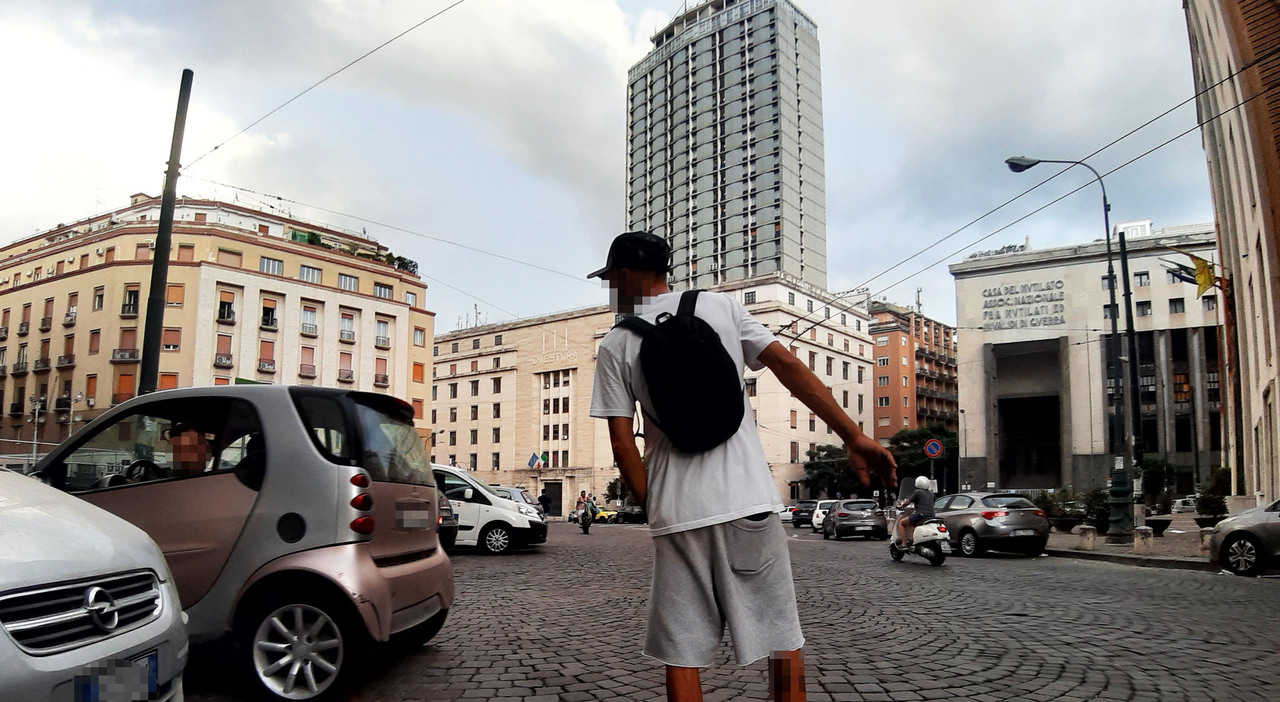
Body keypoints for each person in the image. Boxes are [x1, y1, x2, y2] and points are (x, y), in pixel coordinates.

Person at [588, 231, 897, 702]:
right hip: (749, 501)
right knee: (782, 640)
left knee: (682, 651)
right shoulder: (722, 307)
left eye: (611, 278)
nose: (611, 288)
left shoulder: (616, 343)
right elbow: (789, 368)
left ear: (628, 274)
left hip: (681, 514)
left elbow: (621, 443)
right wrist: (852, 434)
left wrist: (654, 507)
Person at [895, 476, 936, 548]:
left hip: (920, 515)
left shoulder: (917, 492)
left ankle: (904, 543)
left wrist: (901, 507)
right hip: (931, 516)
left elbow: (907, 502)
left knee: (901, 523)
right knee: (915, 525)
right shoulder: (931, 494)